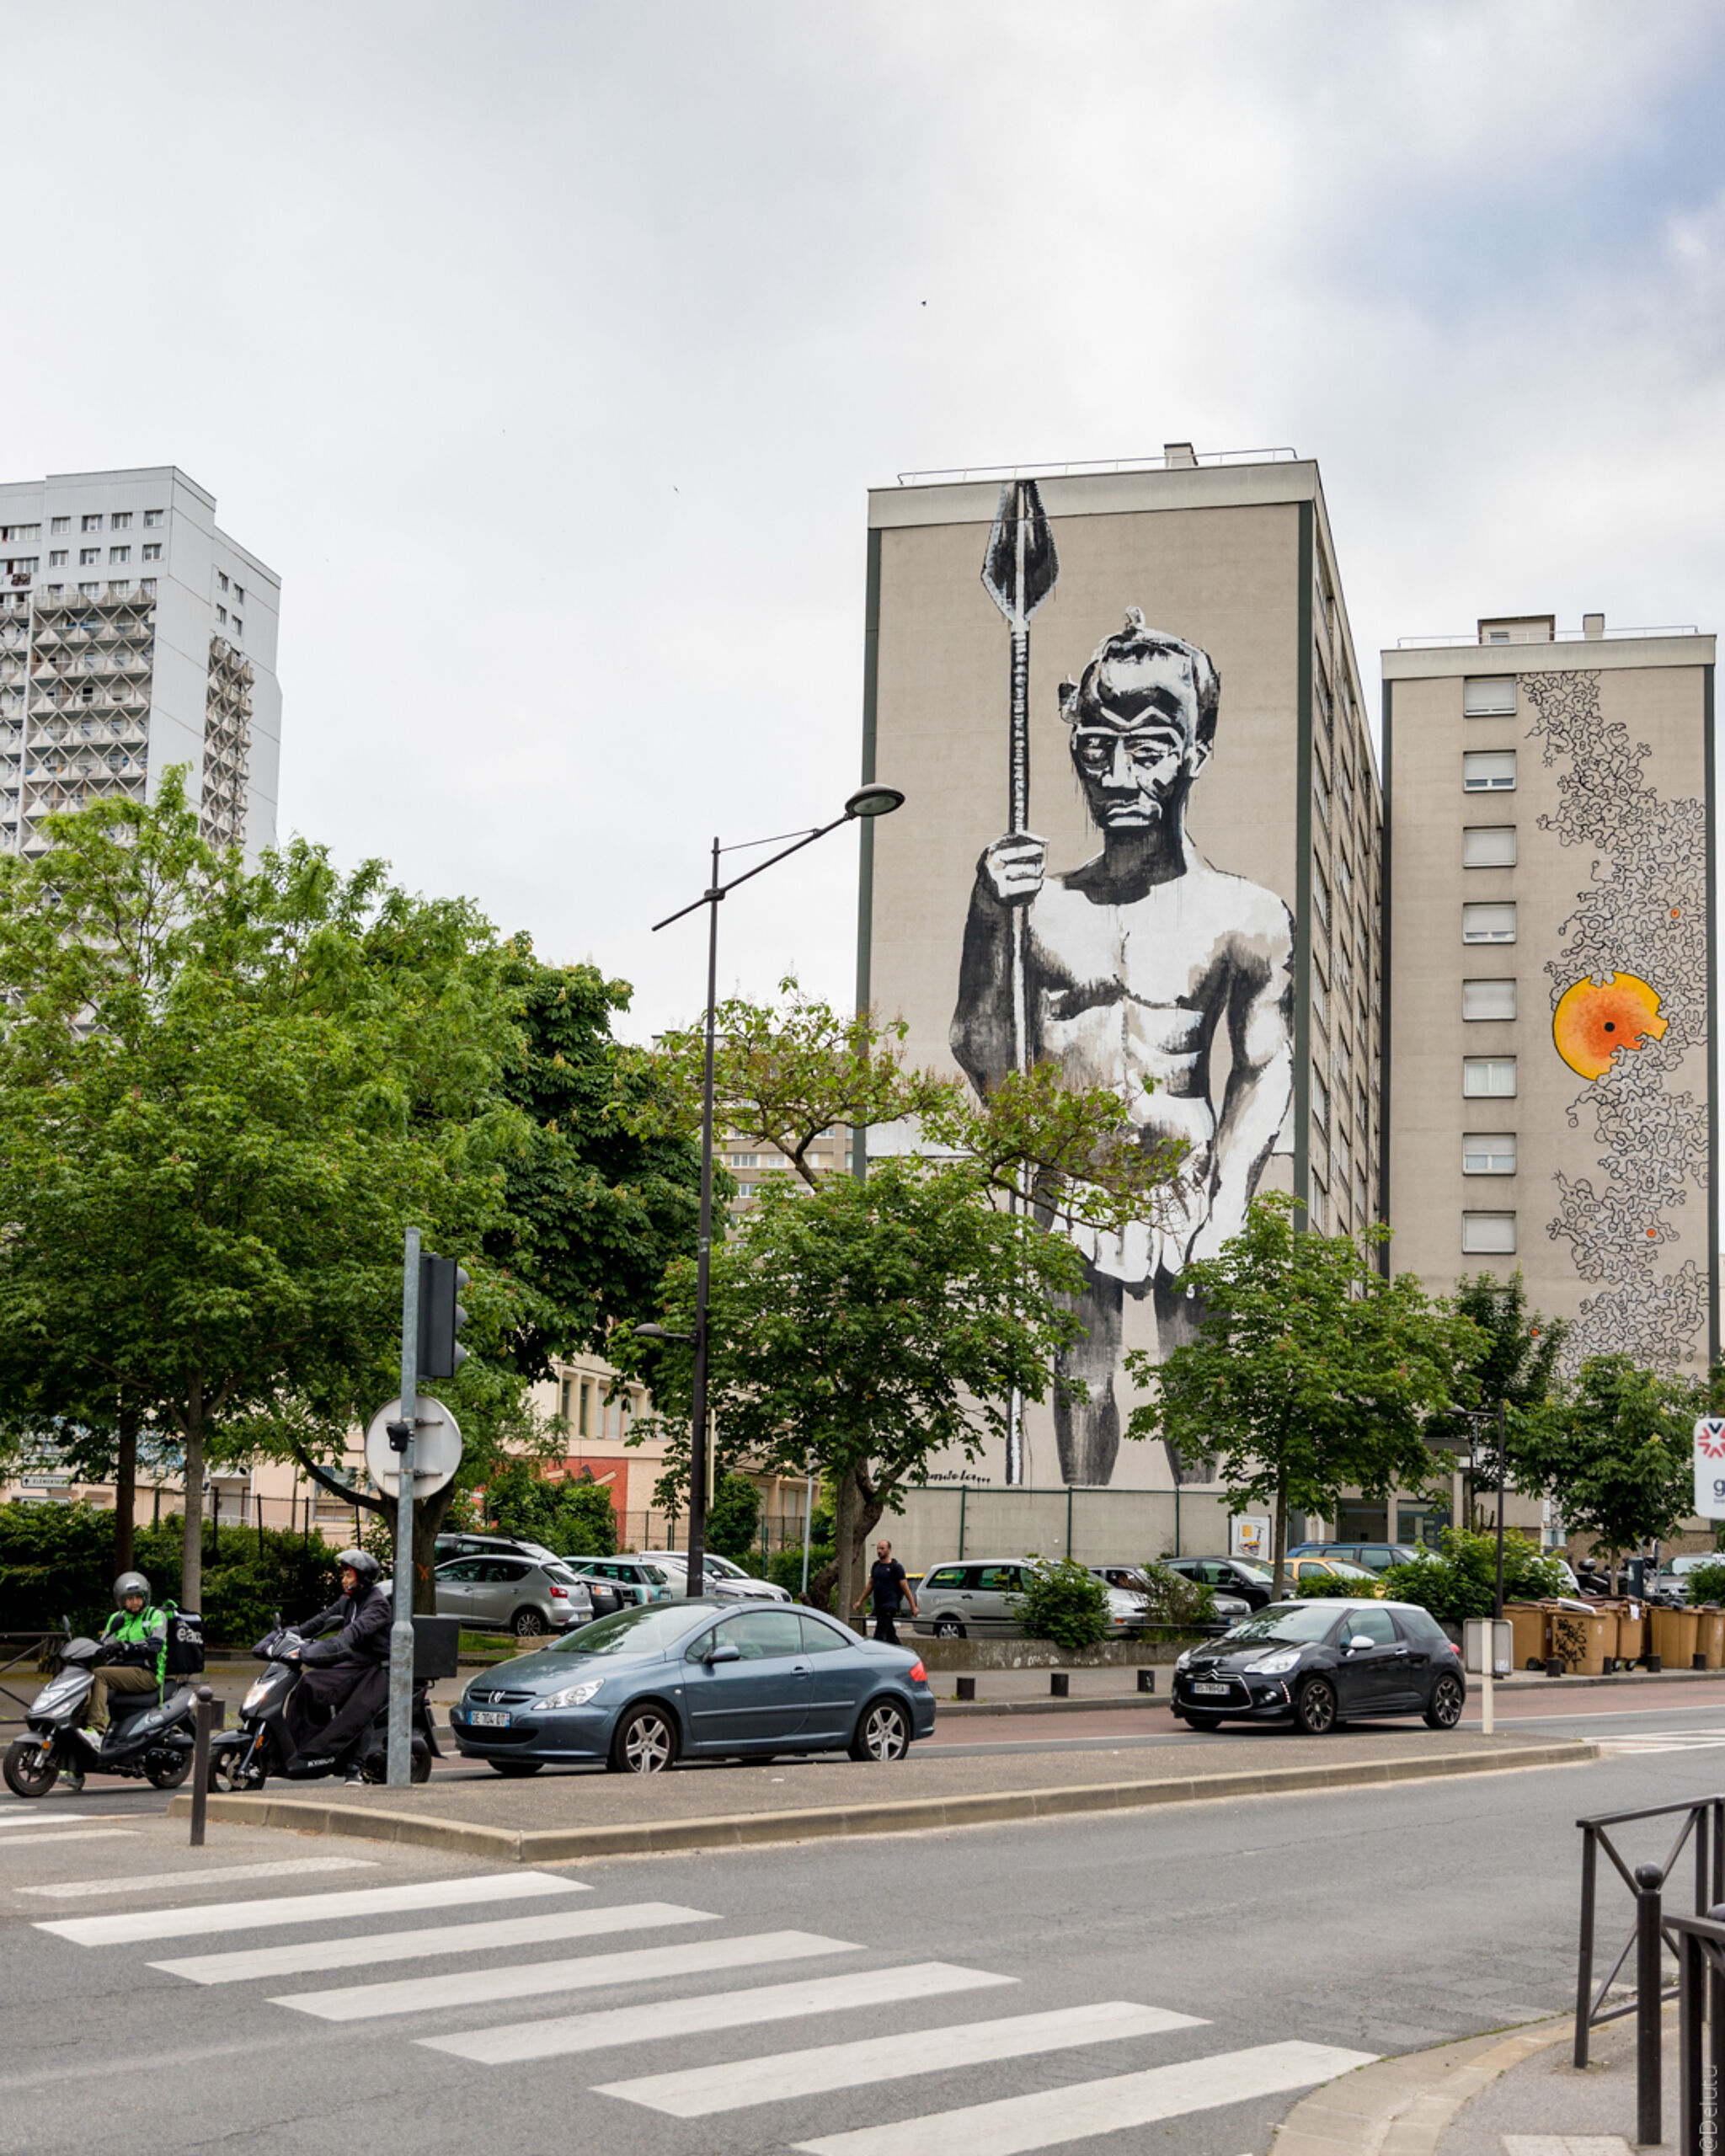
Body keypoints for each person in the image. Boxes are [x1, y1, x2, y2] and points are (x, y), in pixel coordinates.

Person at [951, 609, 1295, 1486]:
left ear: (1192, 754)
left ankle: (1203, 1553)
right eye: (1096, 747)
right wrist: (986, 917)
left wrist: (1227, 1203)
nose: (1116, 774)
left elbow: (1264, 1063)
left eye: (1146, 748)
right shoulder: (1036, 906)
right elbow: (981, 1049)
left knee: (1193, 1383)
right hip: (1072, 1175)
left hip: (1187, 1170)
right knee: (1080, 1378)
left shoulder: (1245, 913)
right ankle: (1073, 1554)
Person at [281, 1548, 392, 1778]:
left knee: (357, 1712)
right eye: (343, 1575)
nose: (343, 1580)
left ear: (362, 1578)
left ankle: (355, 1767)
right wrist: (288, 1634)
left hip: (374, 1668)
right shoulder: (348, 1600)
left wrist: (323, 1648)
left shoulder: (377, 1605)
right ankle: (297, 1746)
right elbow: (318, 1623)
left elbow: (353, 1633)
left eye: (348, 1575)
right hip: (352, 1661)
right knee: (308, 1683)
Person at [65, 1572, 169, 1785]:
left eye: (138, 1597)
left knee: (100, 1675)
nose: (134, 1602)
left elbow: (156, 1645)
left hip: (147, 1673)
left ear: (146, 1597)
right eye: (129, 1598)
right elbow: (103, 1643)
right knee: (85, 1691)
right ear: (121, 1600)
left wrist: (124, 1647)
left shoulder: (155, 1616)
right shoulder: (117, 1619)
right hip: (121, 1674)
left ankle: (96, 1730)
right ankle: (75, 1767)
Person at [854, 1540, 916, 1646]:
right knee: (891, 1634)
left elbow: (905, 1588)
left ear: (889, 1550)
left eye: (882, 1548)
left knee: (880, 1634)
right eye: (878, 1548)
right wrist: (860, 1601)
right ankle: (902, 1654)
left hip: (890, 1605)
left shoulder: (896, 1567)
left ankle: (875, 1653)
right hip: (879, 1605)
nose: (879, 1551)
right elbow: (870, 1585)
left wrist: (913, 1606)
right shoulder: (876, 1566)